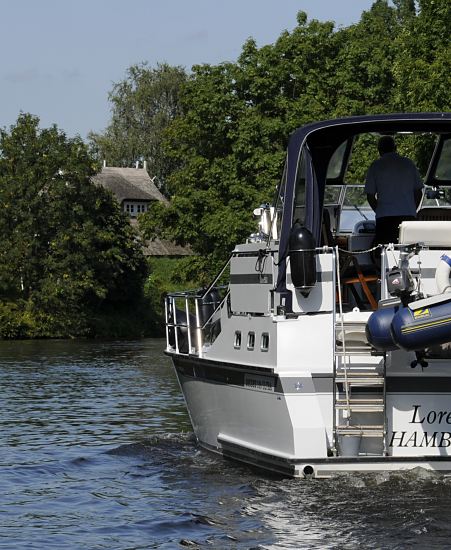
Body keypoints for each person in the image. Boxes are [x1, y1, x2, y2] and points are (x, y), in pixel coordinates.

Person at [365, 136, 423, 245]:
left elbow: (370, 196)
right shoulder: (408, 163)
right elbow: (418, 192)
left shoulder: (375, 166)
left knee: (385, 252)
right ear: (395, 147)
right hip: (407, 216)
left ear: (379, 150)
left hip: (385, 217)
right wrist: (412, 210)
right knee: (408, 250)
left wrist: (380, 211)